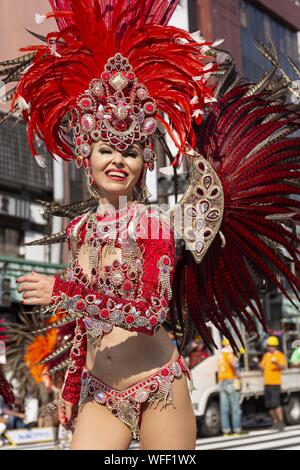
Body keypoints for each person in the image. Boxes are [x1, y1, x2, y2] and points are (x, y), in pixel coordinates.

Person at [2, 0, 299, 451]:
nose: (118, 160)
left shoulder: (153, 225)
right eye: (107, 149)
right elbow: (87, 324)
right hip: (102, 391)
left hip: (159, 385)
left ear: (145, 161)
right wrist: (72, 383)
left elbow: (148, 313)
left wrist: (61, 291)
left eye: (131, 152)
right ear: (86, 154)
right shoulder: (81, 230)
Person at [259, 336, 286, 431]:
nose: (270, 347)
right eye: (269, 346)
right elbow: (261, 365)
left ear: (275, 346)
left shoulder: (279, 355)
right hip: (267, 383)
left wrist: (276, 364)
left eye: (272, 346)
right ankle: (275, 422)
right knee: (269, 405)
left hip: (275, 383)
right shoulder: (266, 355)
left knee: (276, 404)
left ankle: (281, 422)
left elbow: (283, 367)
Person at [217, 338, 242, 436]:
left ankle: (226, 430)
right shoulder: (229, 354)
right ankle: (237, 429)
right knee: (235, 407)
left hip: (222, 381)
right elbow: (234, 364)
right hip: (230, 381)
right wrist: (238, 357)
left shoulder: (221, 355)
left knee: (224, 408)